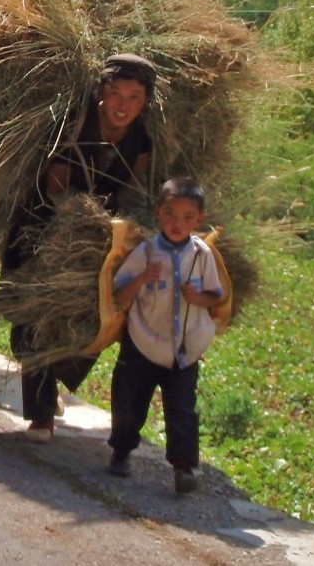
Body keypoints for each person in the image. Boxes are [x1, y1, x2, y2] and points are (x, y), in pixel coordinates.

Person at [4, 53, 158, 443]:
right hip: (44, 228)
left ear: (144, 103)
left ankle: (55, 377)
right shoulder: (72, 128)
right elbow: (56, 192)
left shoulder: (141, 142)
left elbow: (132, 194)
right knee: (34, 314)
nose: (123, 105)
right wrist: (80, 227)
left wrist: (119, 235)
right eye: (116, 93)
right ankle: (41, 417)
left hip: (101, 239)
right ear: (100, 93)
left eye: (135, 97)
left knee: (100, 316)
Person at [107, 177, 224, 495]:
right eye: (171, 214)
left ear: (199, 220)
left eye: (188, 217)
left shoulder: (202, 256)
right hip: (143, 341)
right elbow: (120, 293)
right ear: (159, 212)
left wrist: (197, 297)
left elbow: (216, 295)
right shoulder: (145, 252)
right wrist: (144, 277)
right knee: (129, 401)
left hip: (185, 348)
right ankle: (121, 451)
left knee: (183, 409)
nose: (178, 223)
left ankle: (184, 467)